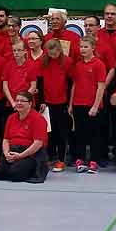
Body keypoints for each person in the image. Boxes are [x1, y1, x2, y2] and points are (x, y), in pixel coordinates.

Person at [68, 35, 109, 173]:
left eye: (86, 47)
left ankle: (94, 160)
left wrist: (95, 106)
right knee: (79, 134)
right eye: (81, 47)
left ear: (93, 48)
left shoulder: (99, 64)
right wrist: (71, 104)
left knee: (94, 134)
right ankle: (80, 160)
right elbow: (74, 85)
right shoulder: (78, 65)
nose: (82, 49)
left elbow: (101, 86)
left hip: (92, 105)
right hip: (78, 104)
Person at [0, 92, 49, 182]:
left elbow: (38, 143)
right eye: (17, 101)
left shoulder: (38, 119)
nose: (19, 103)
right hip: (13, 151)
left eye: (22, 101)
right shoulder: (11, 118)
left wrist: (20, 156)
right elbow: (6, 139)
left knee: (15, 175)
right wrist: (6, 154)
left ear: (30, 103)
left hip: (30, 154)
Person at [38, 37, 73, 171]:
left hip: (62, 102)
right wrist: (42, 101)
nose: (52, 56)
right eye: (49, 53)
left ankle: (61, 160)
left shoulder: (67, 62)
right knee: (49, 132)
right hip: (47, 102)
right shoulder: (43, 61)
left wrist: (69, 103)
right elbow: (40, 81)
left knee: (62, 132)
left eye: (54, 53)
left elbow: (71, 83)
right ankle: (51, 156)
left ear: (60, 50)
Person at [2, 39, 39, 110]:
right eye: (14, 50)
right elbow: (5, 86)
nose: (16, 53)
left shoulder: (31, 65)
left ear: (25, 51)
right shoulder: (8, 65)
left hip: (26, 103)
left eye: (19, 50)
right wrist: (13, 103)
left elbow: (33, 86)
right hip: (12, 103)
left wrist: (21, 101)